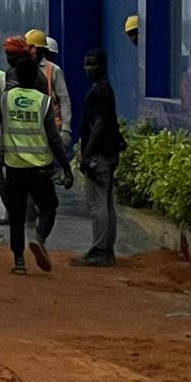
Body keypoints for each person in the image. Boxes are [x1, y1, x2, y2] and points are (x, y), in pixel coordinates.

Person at [0, 37, 72, 274]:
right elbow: (53, 138)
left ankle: (19, 262)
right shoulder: (43, 102)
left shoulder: (5, 99)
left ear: (16, 76)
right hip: (40, 169)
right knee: (49, 206)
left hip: (14, 168)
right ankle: (39, 237)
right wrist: (66, 167)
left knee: (17, 217)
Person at [72, 46, 124, 267]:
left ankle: (100, 250)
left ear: (102, 66)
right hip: (108, 153)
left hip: (100, 155)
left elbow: (100, 123)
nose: (88, 68)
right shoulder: (106, 89)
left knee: (97, 203)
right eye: (86, 64)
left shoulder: (98, 92)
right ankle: (107, 249)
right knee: (107, 203)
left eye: (93, 64)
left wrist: (87, 154)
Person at [26, 27, 73, 142]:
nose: (31, 51)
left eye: (34, 48)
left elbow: (64, 99)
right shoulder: (23, 68)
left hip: (51, 127)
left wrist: (66, 128)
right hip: (30, 126)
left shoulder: (53, 70)